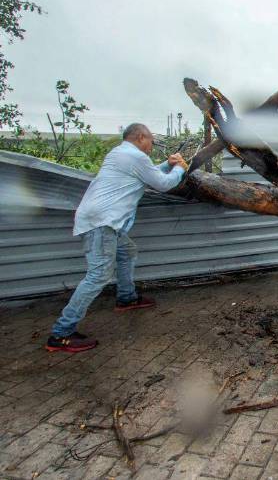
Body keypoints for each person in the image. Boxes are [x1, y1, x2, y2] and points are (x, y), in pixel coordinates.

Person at [46, 123, 188, 353]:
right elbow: (162, 184)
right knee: (97, 276)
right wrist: (180, 168)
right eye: (151, 140)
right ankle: (60, 334)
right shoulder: (134, 157)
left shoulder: (121, 153)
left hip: (104, 222)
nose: (152, 144)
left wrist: (167, 164)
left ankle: (126, 298)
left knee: (127, 252)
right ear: (141, 137)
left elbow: (147, 174)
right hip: (103, 223)